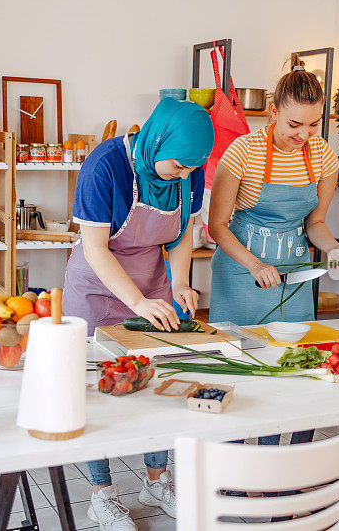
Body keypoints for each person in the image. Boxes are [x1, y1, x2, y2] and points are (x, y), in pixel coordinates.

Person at [63, 97, 214, 530]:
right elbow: (94, 247)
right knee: (95, 388)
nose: (185, 175)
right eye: (179, 167)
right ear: (156, 140)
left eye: (191, 169)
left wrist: (181, 283)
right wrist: (138, 303)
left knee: (156, 380)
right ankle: (102, 495)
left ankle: (155, 480)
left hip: (151, 284)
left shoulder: (190, 165)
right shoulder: (105, 164)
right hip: (96, 285)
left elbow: (182, 232)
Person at [208, 59, 339, 446]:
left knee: (290, 370)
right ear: (273, 111)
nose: (304, 134)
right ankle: (233, 467)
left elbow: (315, 224)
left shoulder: (323, 156)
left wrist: (335, 249)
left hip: (293, 274)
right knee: (239, 372)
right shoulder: (243, 151)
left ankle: (275, 464)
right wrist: (255, 264)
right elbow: (217, 227)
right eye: (294, 124)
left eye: (312, 125)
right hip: (243, 272)